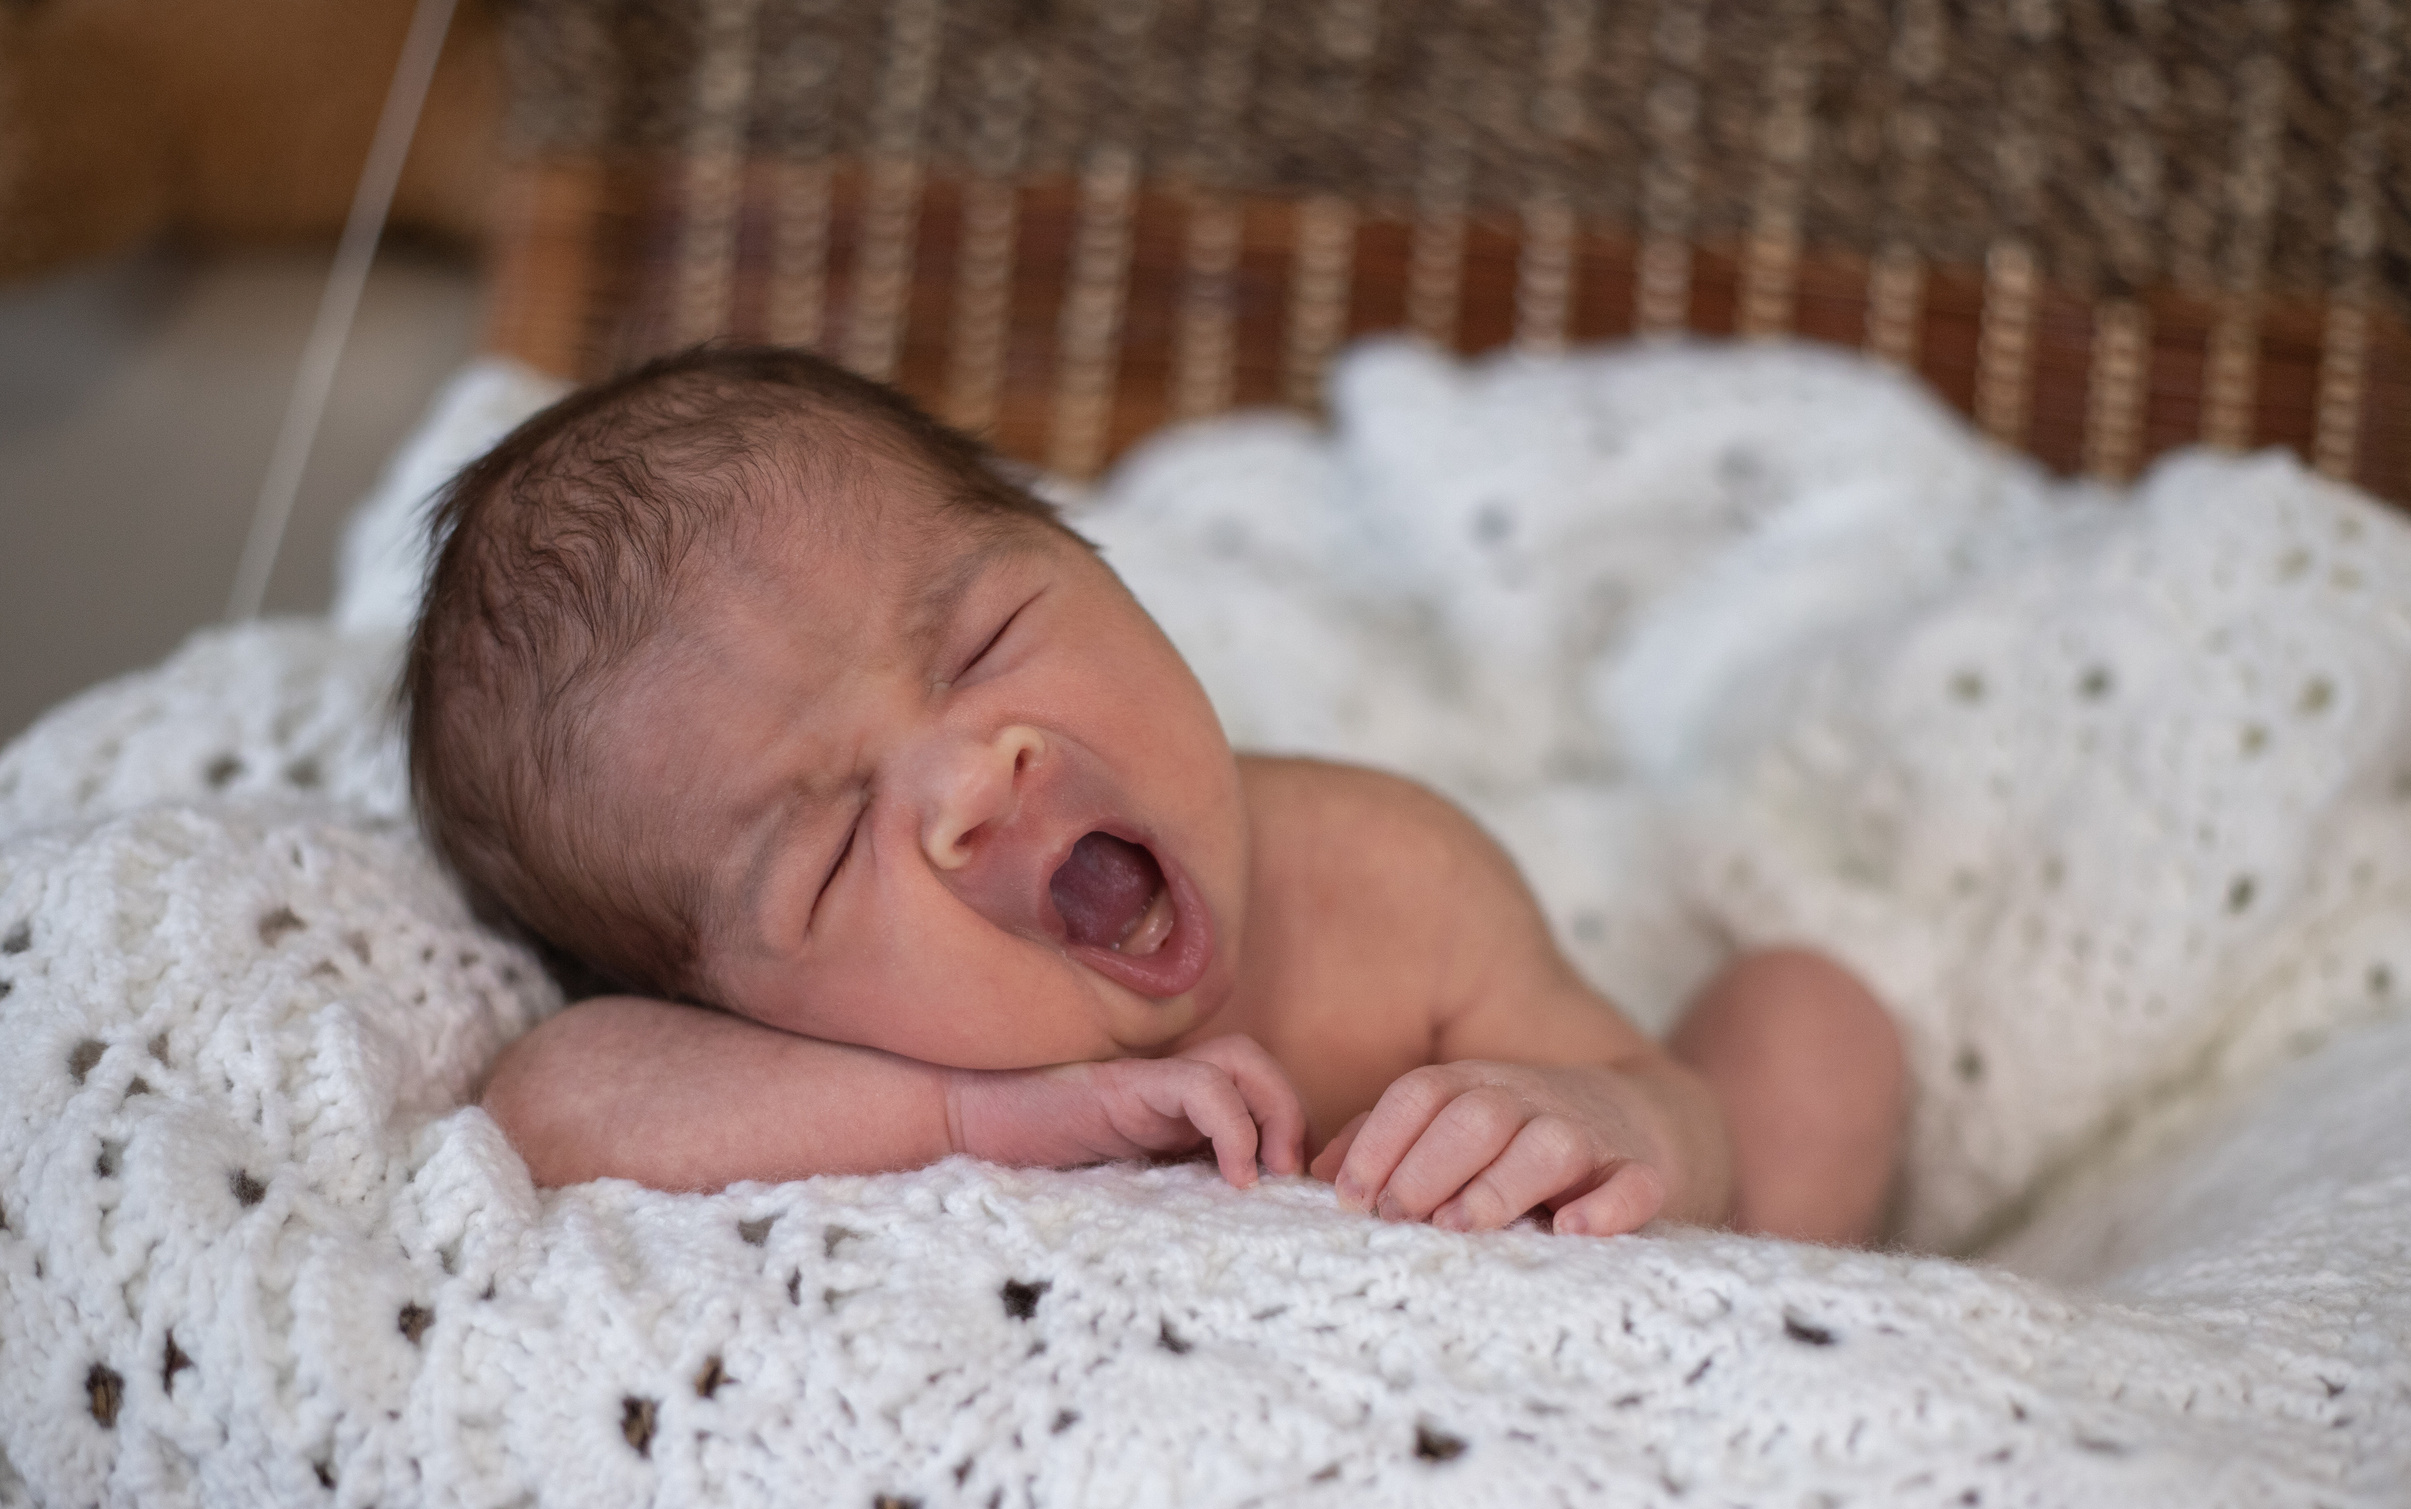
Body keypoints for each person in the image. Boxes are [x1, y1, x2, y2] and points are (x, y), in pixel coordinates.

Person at [403, 346, 1908, 1243]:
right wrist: (981, 1115)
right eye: (832, 850)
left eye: (984, 641)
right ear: (740, 1002)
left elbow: (1662, 1112)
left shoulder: (1387, 879)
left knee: (1809, 1026)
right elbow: (554, 1104)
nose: (971, 784)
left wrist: (1599, 1124)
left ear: (1098, 562)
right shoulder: (834, 1077)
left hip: (1538, 1385)